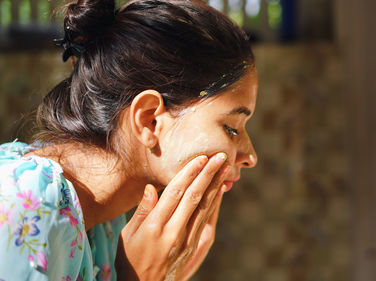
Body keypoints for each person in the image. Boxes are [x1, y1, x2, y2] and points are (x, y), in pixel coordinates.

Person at [0, 0, 258, 280]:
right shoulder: (26, 205)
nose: (250, 156)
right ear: (149, 119)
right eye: (232, 127)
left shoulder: (105, 226)